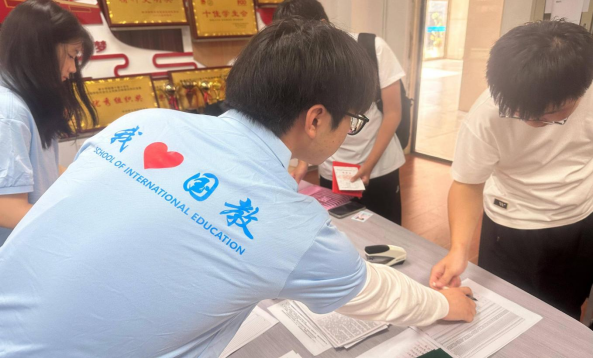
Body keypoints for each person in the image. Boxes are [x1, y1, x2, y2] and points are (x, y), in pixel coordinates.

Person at [0, 19, 476, 358]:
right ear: (315, 119)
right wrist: (444, 304)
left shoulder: (141, 123)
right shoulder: (290, 226)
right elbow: (372, 292)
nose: (348, 130)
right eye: (351, 120)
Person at [430, 20, 593, 321]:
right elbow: (468, 183)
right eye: (519, 112)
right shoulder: (487, 113)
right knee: (502, 311)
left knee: (564, 313)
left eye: (549, 114)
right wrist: (458, 250)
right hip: (510, 224)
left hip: (578, 222)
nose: (531, 121)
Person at [276, 0, 406, 224]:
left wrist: (369, 165)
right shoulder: (304, 60)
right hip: (332, 167)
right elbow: (312, 116)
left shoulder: (372, 48)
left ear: (323, 25)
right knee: (341, 228)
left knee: (385, 229)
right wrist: (304, 162)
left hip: (378, 164)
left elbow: (393, 112)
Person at [0, 0, 96, 247]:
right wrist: (75, 224)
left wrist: (89, 178)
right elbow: (7, 209)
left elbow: (42, 169)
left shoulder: (25, 100)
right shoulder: (8, 111)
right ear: (41, 51)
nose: (73, 68)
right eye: (71, 55)